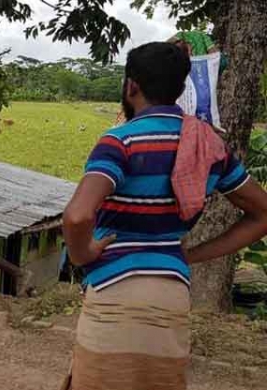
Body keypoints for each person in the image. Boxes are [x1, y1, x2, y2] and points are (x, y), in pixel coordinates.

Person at [61, 42, 267, 390]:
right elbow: (262, 214)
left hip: (114, 293)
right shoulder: (210, 146)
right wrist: (192, 254)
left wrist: (84, 254)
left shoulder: (119, 142)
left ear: (131, 86)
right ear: (181, 87)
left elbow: (77, 216)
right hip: (172, 293)